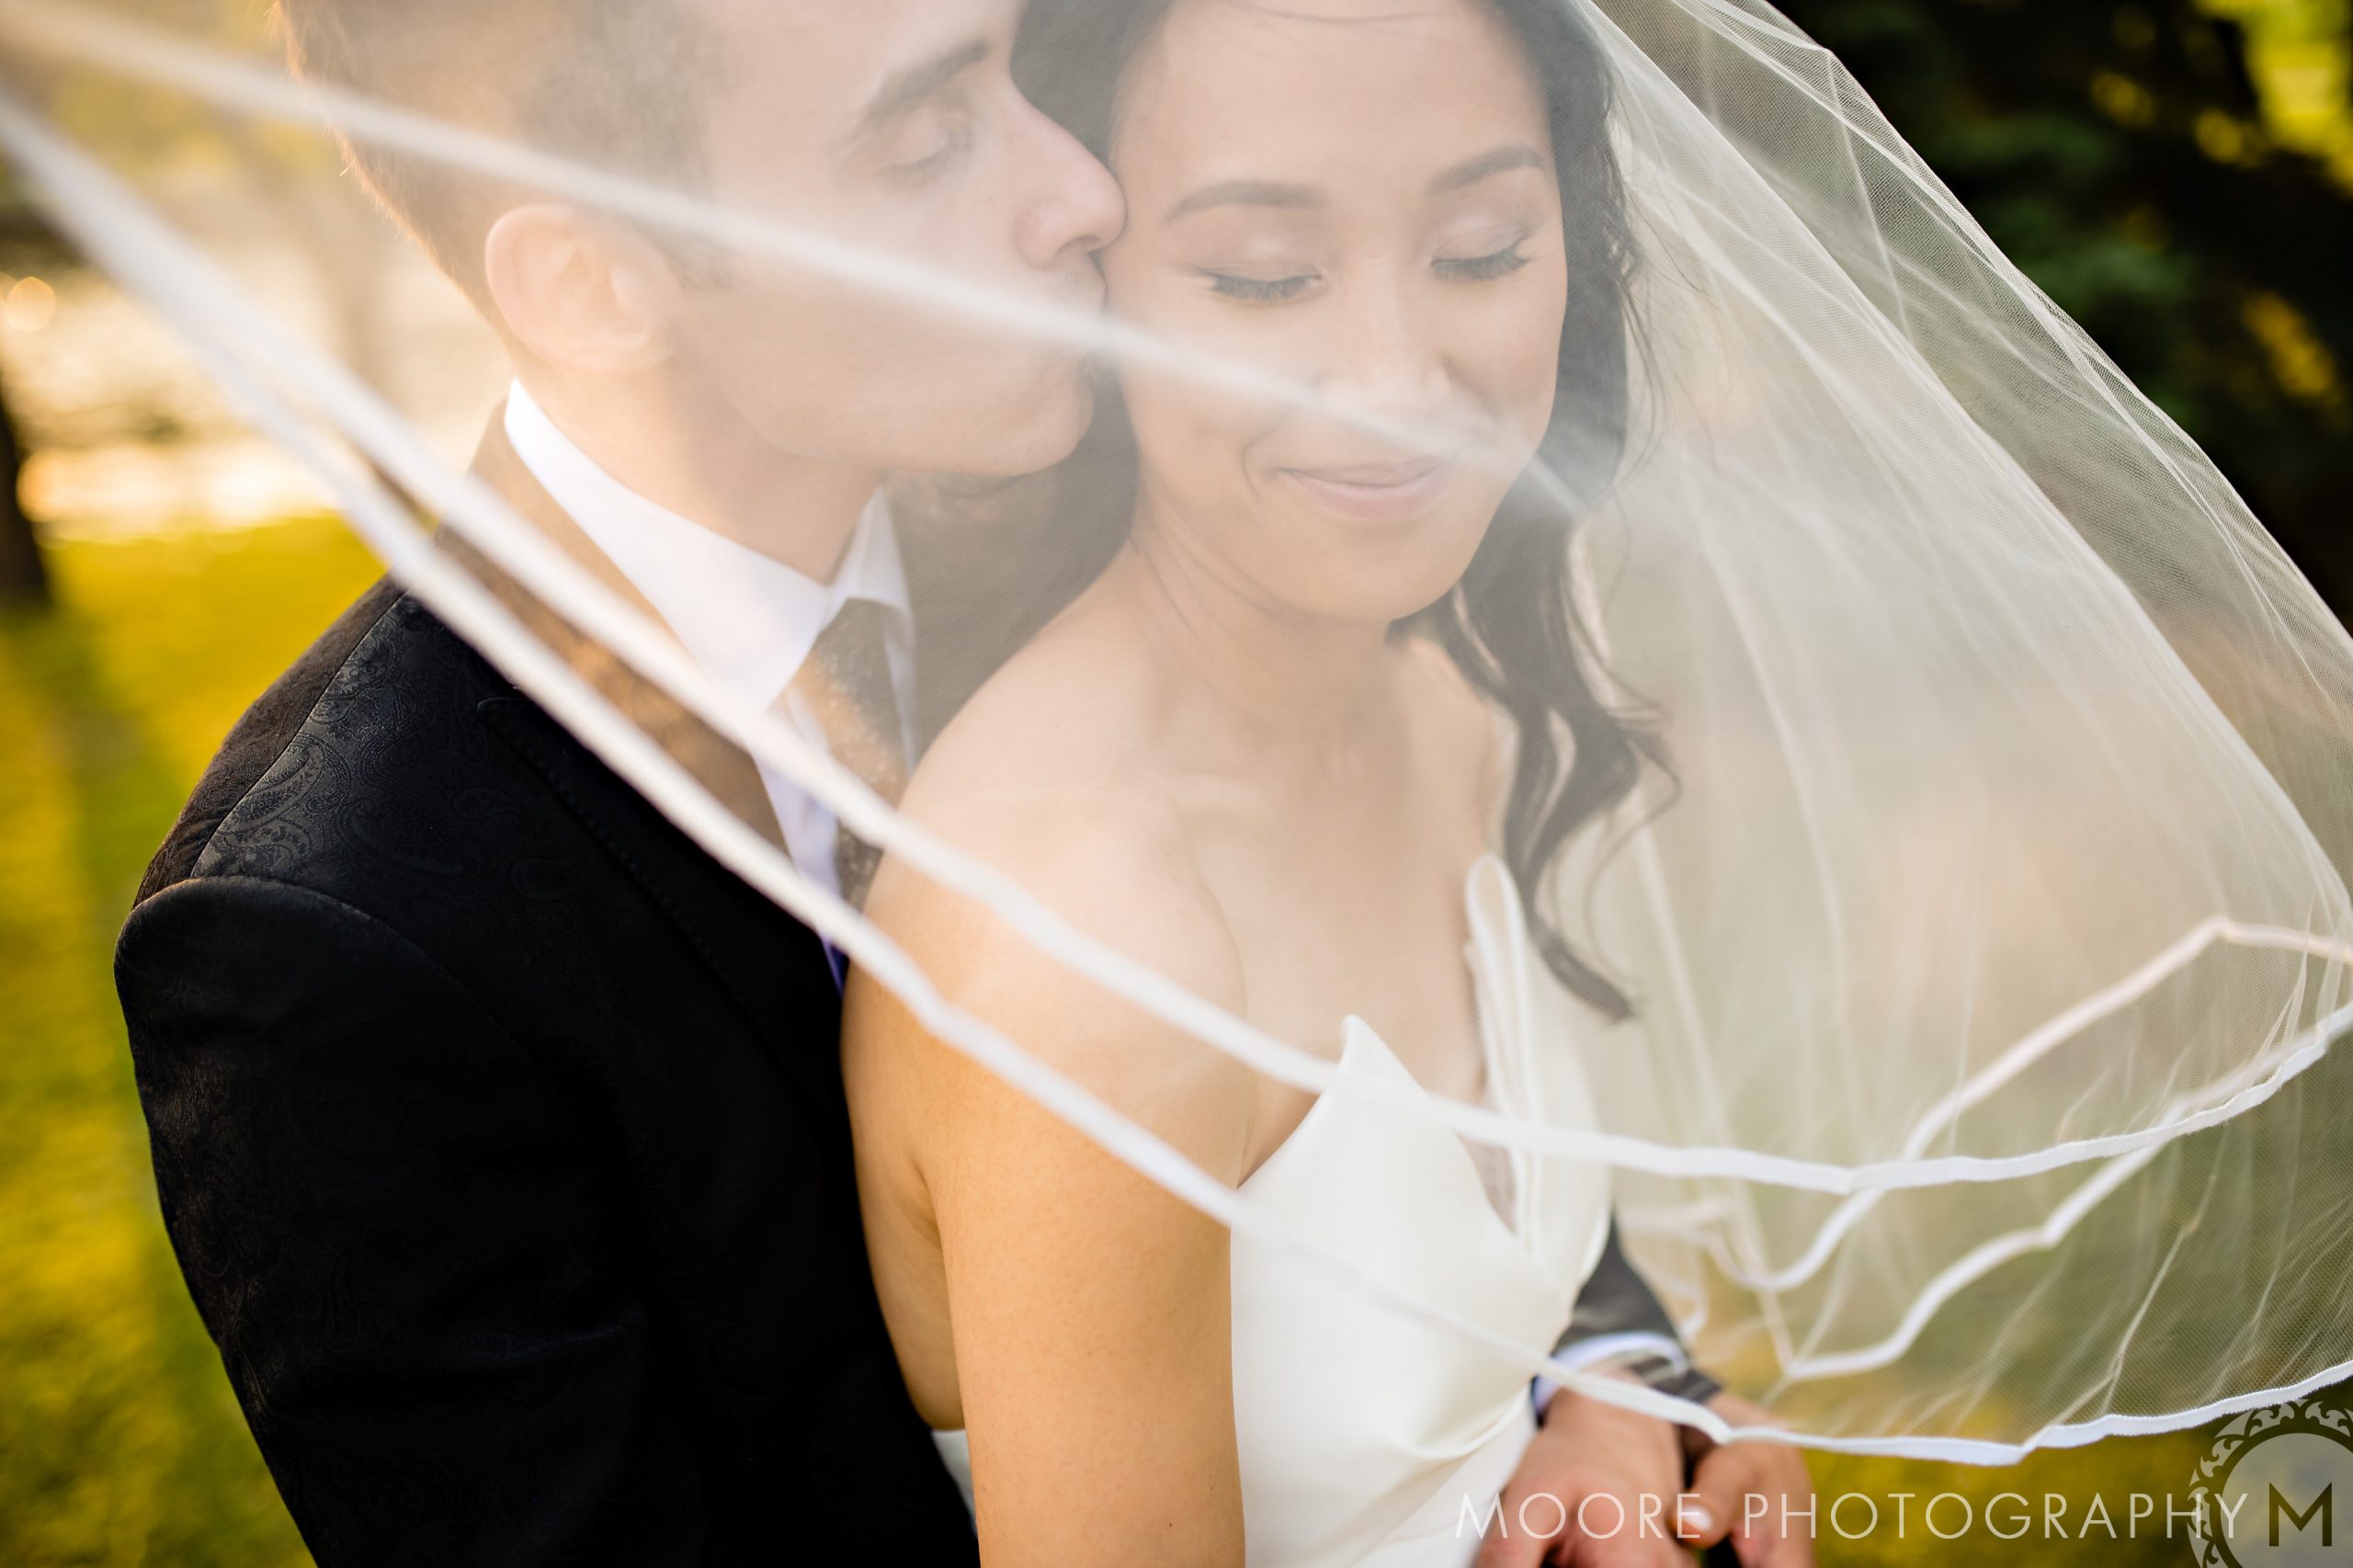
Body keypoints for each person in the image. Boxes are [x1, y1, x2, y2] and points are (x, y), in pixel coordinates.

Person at [113, 0, 1712, 1562]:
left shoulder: (1142, 522)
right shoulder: (337, 933)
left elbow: (1410, 1127)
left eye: (1020, 73)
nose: (1082, 195)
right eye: (931, 139)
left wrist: (1614, 1393)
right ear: (594, 279)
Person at [842, 0, 1814, 1562]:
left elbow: (1499, 1308)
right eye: (1265, 277)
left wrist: (1627, 1407)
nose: (1393, 372)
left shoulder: (1438, 702)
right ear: (1089, 278)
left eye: (1486, 247)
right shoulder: (1089, 939)